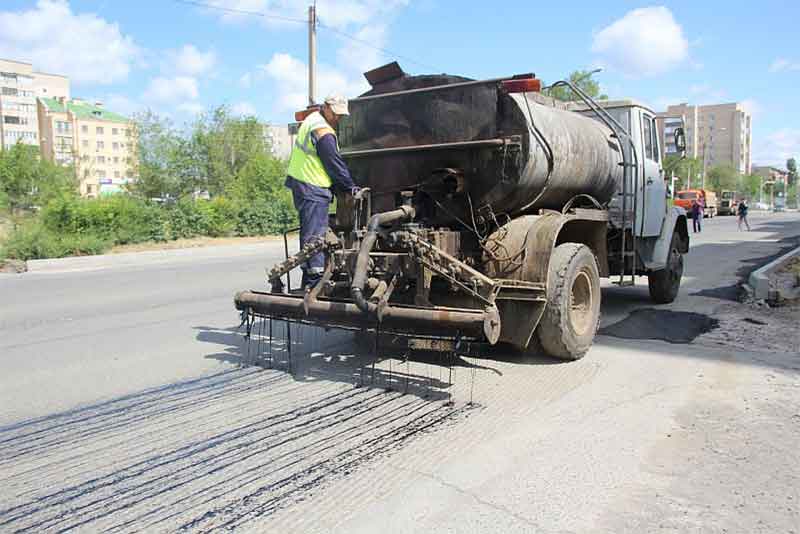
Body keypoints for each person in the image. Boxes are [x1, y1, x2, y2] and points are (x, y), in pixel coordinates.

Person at [285, 94, 360, 289]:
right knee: (315, 235)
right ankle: (314, 282)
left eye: (341, 115)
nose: (338, 118)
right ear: (326, 107)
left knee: (310, 232)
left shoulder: (312, 119)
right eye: (336, 114)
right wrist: (350, 186)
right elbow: (334, 164)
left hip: (302, 182)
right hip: (311, 185)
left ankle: (308, 279)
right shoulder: (323, 131)